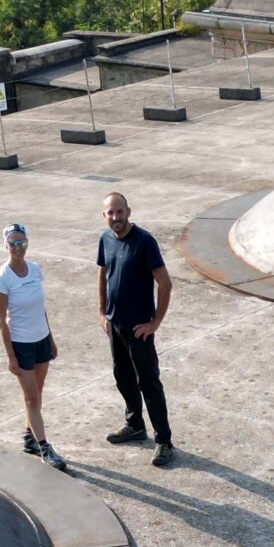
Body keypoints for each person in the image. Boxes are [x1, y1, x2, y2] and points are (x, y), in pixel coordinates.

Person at [96, 190, 175, 468]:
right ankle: (135, 425)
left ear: (129, 212)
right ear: (104, 215)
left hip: (140, 329)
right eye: (110, 213)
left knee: (149, 382)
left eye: (120, 212)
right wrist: (102, 311)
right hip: (115, 325)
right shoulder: (105, 239)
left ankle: (163, 440)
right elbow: (103, 272)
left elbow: (165, 284)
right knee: (122, 377)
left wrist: (155, 322)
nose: (115, 217)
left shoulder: (144, 242)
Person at [0, 223, 68, 470]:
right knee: (31, 397)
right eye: (12, 243)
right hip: (21, 345)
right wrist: (10, 356)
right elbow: (1, 320)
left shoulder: (35, 270)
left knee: (38, 392)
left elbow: (40, 308)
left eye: (21, 242)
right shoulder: (2, 278)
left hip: (41, 340)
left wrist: (51, 338)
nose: (17, 247)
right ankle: (44, 447)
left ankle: (29, 437)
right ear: (5, 245)